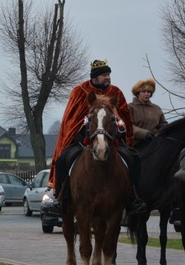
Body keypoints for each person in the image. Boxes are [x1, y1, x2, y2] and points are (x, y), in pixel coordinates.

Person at [46, 59, 146, 216]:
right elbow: (71, 120)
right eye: (104, 75)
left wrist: (120, 131)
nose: (108, 78)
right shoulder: (80, 91)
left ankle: (134, 198)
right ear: (95, 77)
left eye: (108, 74)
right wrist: (79, 135)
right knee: (62, 160)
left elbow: (124, 118)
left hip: (112, 139)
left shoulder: (116, 92)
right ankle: (61, 199)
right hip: (83, 139)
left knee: (135, 159)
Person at [129, 78, 168, 151]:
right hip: (134, 146)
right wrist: (145, 134)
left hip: (154, 144)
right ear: (138, 93)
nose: (147, 94)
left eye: (149, 92)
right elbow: (128, 126)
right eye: (144, 91)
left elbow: (163, 125)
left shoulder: (157, 109)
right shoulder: (130, 107)